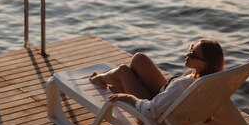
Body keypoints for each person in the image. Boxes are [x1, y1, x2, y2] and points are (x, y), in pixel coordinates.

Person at [89, 38, 224, 119]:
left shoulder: (185, 84)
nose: (188, 54)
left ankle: (101, 79)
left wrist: (128, 97)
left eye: (193, 54)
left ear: (203, 64)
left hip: (151, 115)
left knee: (124, 70)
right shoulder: (208, 79)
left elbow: (150, 111)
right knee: (139, 58)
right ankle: (121, 82)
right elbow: (172, 93)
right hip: (165, 97)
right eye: (191, 48)